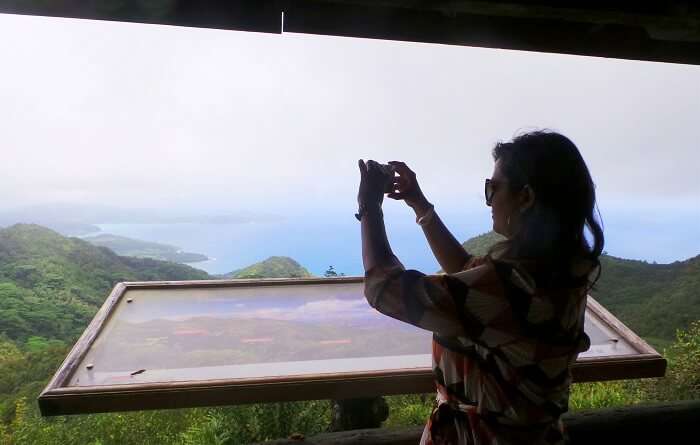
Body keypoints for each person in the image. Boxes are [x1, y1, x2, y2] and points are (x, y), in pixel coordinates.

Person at [356, 130, 604, 445]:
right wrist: (420, 205)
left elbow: (384, 288)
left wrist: (369, 207)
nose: (488, 199)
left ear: (525, 197)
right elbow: (467, 271)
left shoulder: (513, 287)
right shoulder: (558, 272)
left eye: (493, 188)